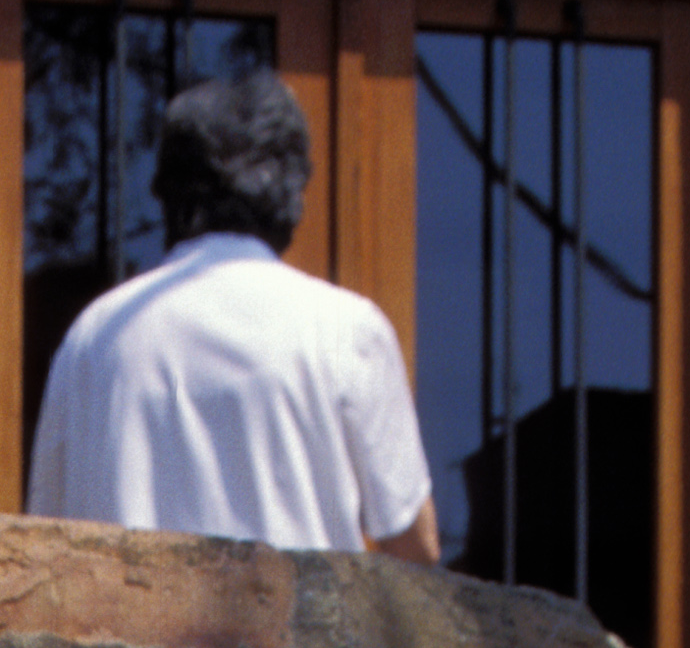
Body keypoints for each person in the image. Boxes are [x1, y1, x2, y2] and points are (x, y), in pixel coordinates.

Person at [28, 68, 441, 563]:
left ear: (167, 191)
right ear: (293, 191)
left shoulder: (94, 337)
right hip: (304, 616)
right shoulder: (346, 330)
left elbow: (41, 546)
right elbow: (415, 550)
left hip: (123, 614)